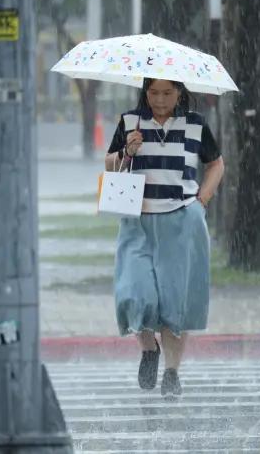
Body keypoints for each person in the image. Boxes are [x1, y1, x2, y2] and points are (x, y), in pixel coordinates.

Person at [105, 77, 224, 398]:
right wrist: (126, 150)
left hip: (182, 221)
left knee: (176, 304)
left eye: (167, 93)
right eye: (154, 92)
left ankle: (172, 371)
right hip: (137, 220)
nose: (160, 100)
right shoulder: (130, 121)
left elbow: (215, 164)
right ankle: (148, 350)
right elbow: (110, 166)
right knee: (133, 293)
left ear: (180, 93)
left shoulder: (195, 124)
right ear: (145, 92)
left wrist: (202, 201)